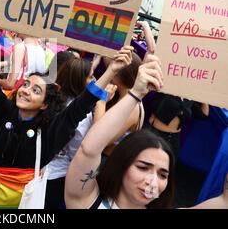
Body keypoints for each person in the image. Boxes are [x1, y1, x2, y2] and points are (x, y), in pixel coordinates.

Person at [0, 19, 132, 209]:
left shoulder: (50, 133)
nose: (25, 90)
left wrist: (111, 70)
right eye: (25, 84)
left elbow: (81, 105)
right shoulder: (1, 113)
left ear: (45, 104)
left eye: (36, 91)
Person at [64, 55, 228, 209]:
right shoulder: (86, 200)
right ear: (121, 164)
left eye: (163, 175)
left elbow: (224, 201)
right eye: (143, 167)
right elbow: (89, 148)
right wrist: (135, 94)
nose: (152, 181)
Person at [45, 56, 95, 209]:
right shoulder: (81, 112)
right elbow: (77, 151)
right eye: (91, 76)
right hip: (56, 176)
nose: (95, 80)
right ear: (79, 79)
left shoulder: (49, 98)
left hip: (36, 169)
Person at [94, 53, 144, 158]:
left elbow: (97, 139)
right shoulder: (118, 95)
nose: (108, 73)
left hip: (107, 160)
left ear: (119, 75)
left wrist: (101, 102)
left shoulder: (132, 107)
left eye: (112, 71)